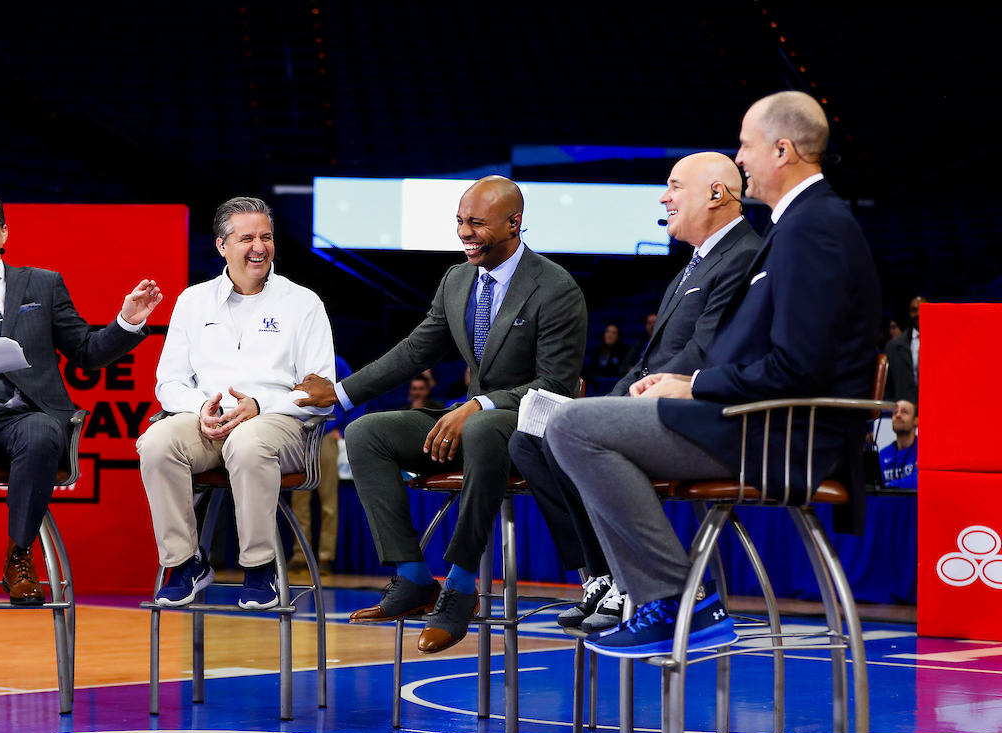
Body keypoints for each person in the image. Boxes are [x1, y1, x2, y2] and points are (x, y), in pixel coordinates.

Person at [545, 91, 881, 658]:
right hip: (760, 421)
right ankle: (648, 596)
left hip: (780, 435)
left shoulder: (812, 227)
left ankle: (675, 598)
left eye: (747, 146)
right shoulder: (799, 223)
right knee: (570, 424)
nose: (742, 159)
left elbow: (798, 368)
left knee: (575, 426)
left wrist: (694, 385)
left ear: (783, 149)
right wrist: (684, 385)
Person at [295, 175, 587, 653]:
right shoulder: (456, 280)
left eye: (476, 223)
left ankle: (460, 585)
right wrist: (340, 394)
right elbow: (414, 352)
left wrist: (477, 405)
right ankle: (412, 577)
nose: (464, 233)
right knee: (368, 432)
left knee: (483, 426)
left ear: (515, 223)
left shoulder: (556, 288)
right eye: (459, 221)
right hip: (474, 423)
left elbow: (554, 386)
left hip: (527, 431)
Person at [510, 151, 761, 634]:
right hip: (656, 402)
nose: (663, 197)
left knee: (572, 433)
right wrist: (601, 404)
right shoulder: (694, 264)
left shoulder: (743, 256)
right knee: (529, 439)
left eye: (674, 186)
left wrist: (612, 410)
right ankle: (602, 574)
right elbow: (647, 361)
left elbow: (703, 355)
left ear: (715, 194)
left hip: (696, 417)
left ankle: (638, 583)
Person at [0, 189, 161, 605]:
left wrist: (126, 323)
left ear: (4, 231)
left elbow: (85, 353)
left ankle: (19, 558)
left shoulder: (43, 283)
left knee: (42, 434)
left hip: (26, 417)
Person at [137, 196, 336, 609]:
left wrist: (260, 404)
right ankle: (185, 561)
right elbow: (168, 382)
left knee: (248, 443)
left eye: (266, 236)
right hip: (207, 420)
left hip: (281, 422)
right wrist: (201, 408)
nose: (259, 246)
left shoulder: (304, 302)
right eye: (246, 237)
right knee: (155, 442)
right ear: (221, 246)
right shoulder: (193, 301)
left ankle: (260, 565)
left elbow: (321, 390)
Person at [288, 354, 356, 576]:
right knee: (299, 500)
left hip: (325, 435)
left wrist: (343, 429)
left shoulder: (337, 362)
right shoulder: (294, 359)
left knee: (328, 500)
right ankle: (300, 556)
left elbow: (354, 394)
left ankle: (325, 557)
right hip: (301, 434)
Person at [884, 295, 925, 404]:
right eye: (914, 310)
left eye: (923, 309)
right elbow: (887, 385)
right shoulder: (892, 347)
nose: (918, 314)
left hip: (935, 411)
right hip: (903, 412)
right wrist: (893, 409)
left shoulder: (944, 344)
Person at [880, 399, 918, 489]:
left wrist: (890, 487)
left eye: (904, 412)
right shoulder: (883, 454)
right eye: (894, 413)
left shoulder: (924, 450)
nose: (898, 415)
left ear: (916, 421)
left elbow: (920, 480)